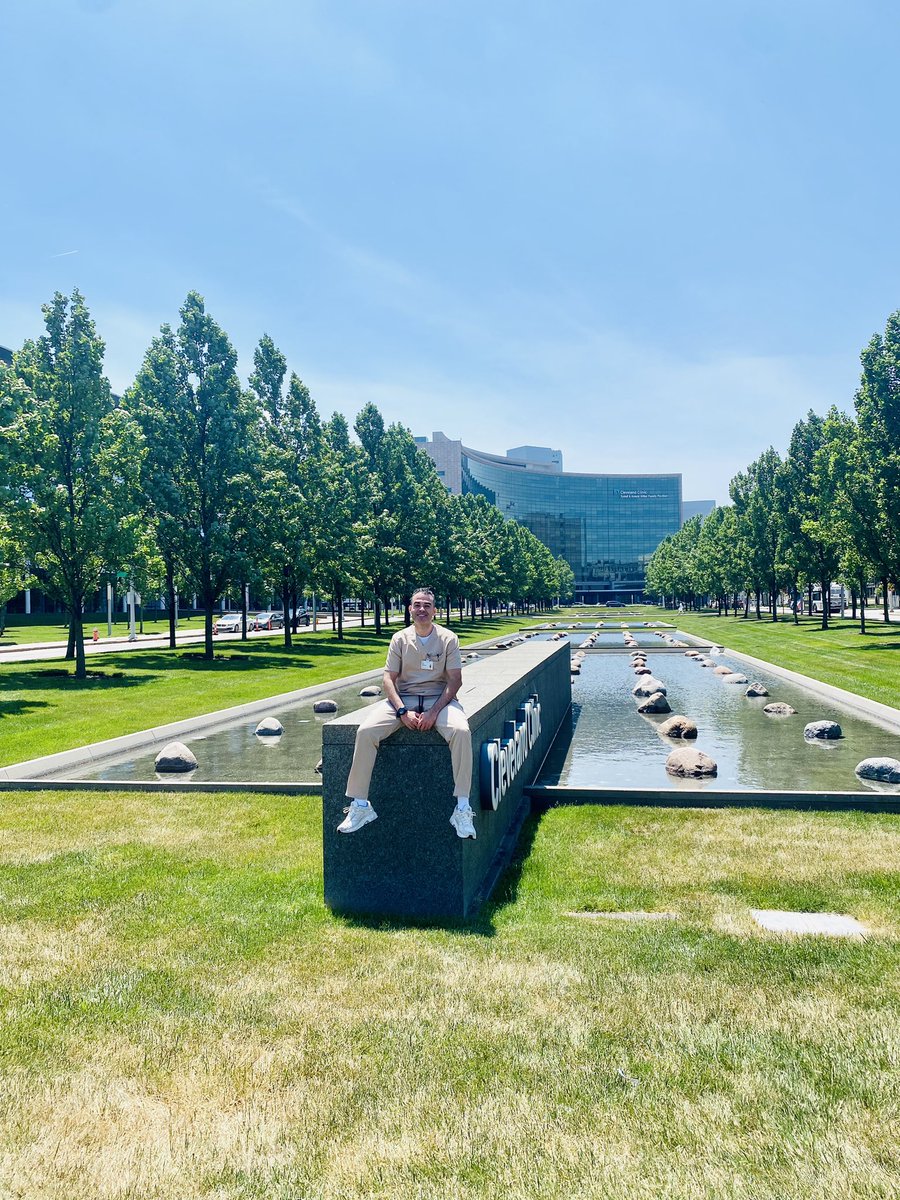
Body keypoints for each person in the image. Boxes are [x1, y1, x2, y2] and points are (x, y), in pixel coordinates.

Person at [338, 587, 476, 839]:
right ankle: (360, 805)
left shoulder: (448, 639)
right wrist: (402, 711)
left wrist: (434, 712)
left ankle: (463, 807)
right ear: (410, 609)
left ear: (435, 611)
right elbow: (388, 680)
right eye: (417, 605)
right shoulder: (399, 639)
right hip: (404, 700)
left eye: (427, 605)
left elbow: (455, 681)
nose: (421, 609)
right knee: (366, 731)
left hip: (439, 700)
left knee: (461, 731)